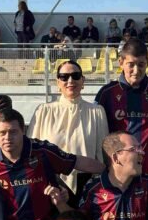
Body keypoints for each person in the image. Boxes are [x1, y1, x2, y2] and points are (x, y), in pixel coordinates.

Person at [95, 38, 148, 184]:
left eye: (141, 64)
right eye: (131, 64)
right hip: (118, 176)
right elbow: (98, 136)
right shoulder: (107, 93)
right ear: (121, 62)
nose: (136, 70)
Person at [28, 59, 109, 199]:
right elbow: (31, 152)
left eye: (75, 76)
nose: (70, 81)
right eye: (64, 77)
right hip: (51, 184)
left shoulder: (96, 112)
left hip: (86, 183)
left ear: (83, 81)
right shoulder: (43, 111)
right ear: (58, 82)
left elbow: (103, 155)